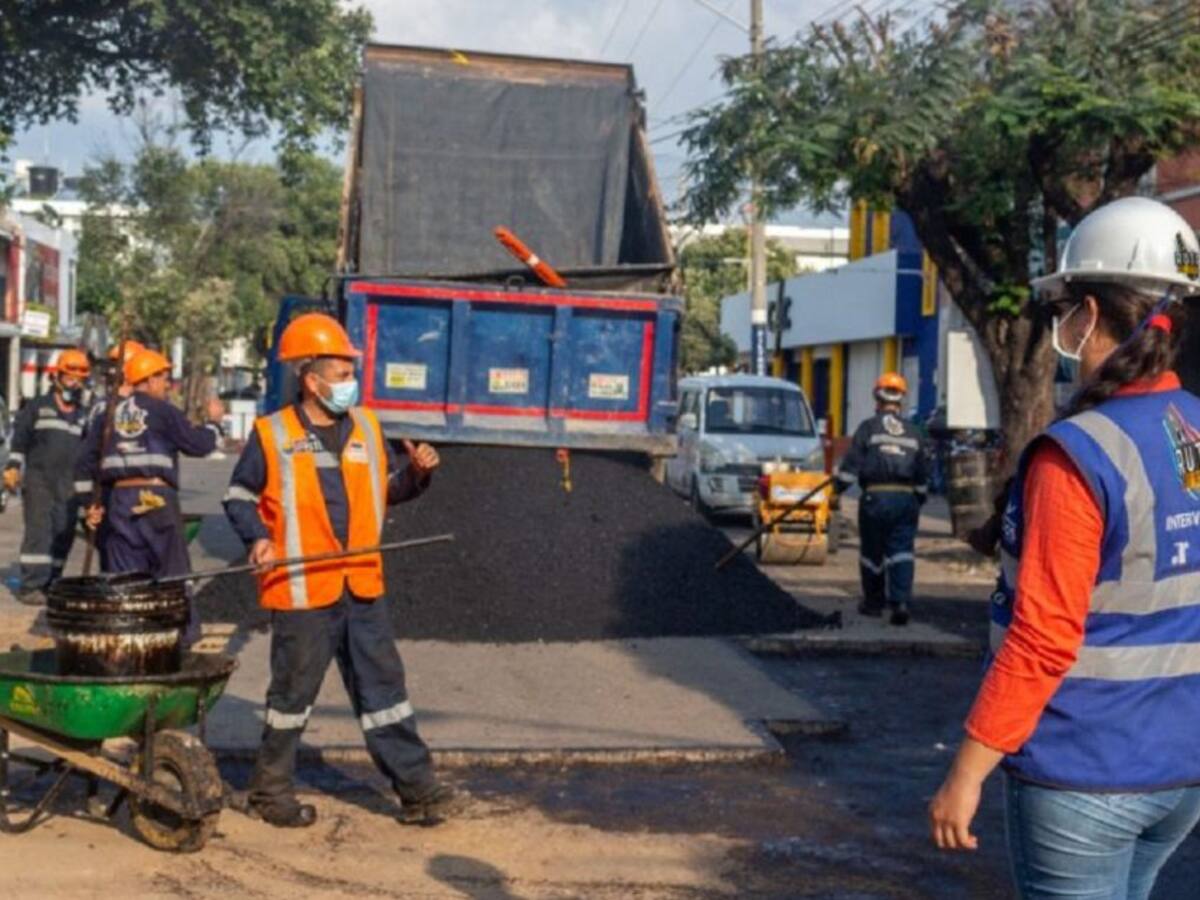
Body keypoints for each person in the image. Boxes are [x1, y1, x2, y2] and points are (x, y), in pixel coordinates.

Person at [929, 196, 1200, 899]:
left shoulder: (1076, 456)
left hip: (1087, 771)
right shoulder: (1193, 429)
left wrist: (968, 770)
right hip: (1180, 770)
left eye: (1061, 312)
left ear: (1087, 314)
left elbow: (1044, 636)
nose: (1059, 327)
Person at [222, 313, 457, 829]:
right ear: (311, 380)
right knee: (292, 698)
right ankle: (270, 793)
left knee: (386, 694)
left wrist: (417, 475)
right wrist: (257, 538)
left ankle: (419, 792)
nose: (350, 382)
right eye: (341, 371)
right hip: (303, 590)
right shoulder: (273, 433)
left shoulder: (368, 427)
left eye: (352, 371)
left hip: (362, 584)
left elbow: (383, 492)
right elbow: (237, 495)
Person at [77, 348, 225, 640]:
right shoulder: (163, 411)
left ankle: (128, 636)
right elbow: (199, 445)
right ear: (149, 379)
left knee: (124, 577)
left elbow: (83, 464)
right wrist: (214, 423)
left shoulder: (107, 414)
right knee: (172, 570)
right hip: (156, 499)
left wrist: (90, 505)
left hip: (119, 502)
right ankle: (182, 637)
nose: (167, 385)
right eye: (164, 378)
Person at [834, 372, 930, 625]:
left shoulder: (868, 428)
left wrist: (835, 491)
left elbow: (850, 468)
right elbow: (923, 473)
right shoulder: (914, 432)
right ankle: (900, 602)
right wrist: (918, 499)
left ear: (877, 398)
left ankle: (874, 603)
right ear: (901, 401)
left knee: (872, 553)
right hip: (906, 499)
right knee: (902, 552)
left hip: (875, 499)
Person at [4, 349, 92, 605]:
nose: (74, 382)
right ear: (57, 376)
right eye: (70, 376)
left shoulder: (82, 414)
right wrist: (12, 466)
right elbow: (20, 440)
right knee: (39, 532)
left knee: (63, 532)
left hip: (70, 484)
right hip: (39, 480)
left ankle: (53, 582)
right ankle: (32, 585)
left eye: (79, 378)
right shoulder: (38, 407)